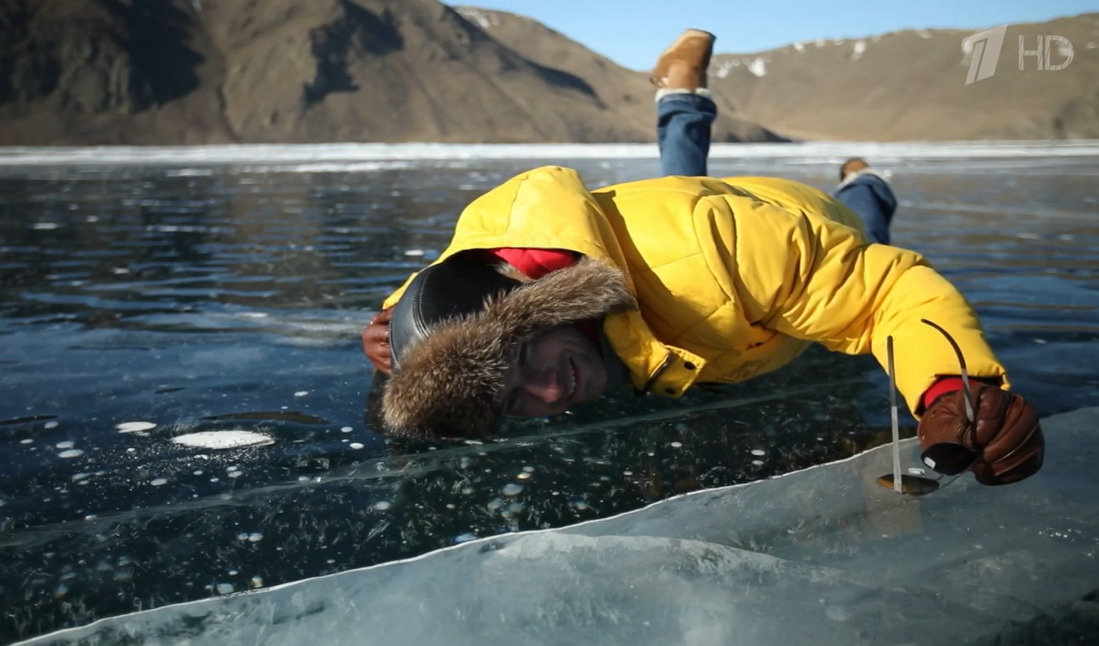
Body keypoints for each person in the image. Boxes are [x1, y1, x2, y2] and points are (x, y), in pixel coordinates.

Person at [361, 30, 1043, 486]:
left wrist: (950, 387)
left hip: (778, 224)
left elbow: (886, 295)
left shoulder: (721, 253)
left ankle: (865, 179)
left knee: (864, 233)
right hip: (664, 225)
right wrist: (399, 322)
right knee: (673, 192)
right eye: (511, 400)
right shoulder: (496, 267)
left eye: (521, 362)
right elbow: (454, 271)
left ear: (534, 303)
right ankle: (679, 92)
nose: (548, 392)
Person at [833, 157, 898, 245]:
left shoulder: (856, 190)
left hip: (863, 251)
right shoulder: (876, 188)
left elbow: (866, 231)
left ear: (847, 174)